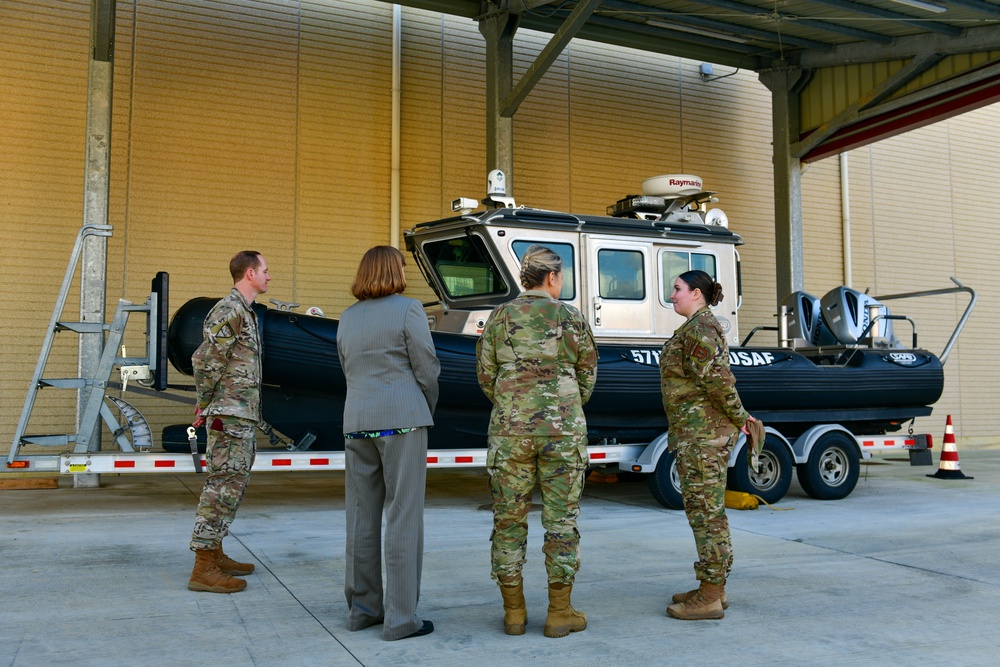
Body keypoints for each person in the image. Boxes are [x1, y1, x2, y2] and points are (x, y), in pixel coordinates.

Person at [476, 244, 598, 638]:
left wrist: (514, 405)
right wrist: (563, 405)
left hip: (510, 430)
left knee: (508, 520)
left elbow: (485, 375)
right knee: (561, 522)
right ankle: (559, 614)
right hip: (562, 431)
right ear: (552, 278)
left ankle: (514, 614)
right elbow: (588, 377)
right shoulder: (570, 317)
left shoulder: (499, 317)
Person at [337, 245, 440, 641]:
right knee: (403, 515)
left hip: (358, 422)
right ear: (394, 270)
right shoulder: (408, 309)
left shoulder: (347, 317)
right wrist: (423, 406)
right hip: (402, 422)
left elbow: (347, 369)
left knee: (361, 516)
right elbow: (426, 366)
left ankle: (363, 610)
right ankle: (400, 619)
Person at [659, 269, 757, 620]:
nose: (673, 295)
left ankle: (711, 595)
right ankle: (713, 586)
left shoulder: (701, 329)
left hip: (704, 437)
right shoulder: (693, 328)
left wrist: (740, 416)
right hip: (694, 434)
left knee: (706, 515)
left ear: (696, 293)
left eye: (677, 289)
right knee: (704, 512)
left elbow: (718, 382)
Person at [188, 250, 270, 594]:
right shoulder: (230, 310)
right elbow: (206, 361)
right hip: (228, 414)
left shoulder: (245, 313)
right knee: (222, 487)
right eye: (265, 270)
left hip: (238, 413)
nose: (269, 275)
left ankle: (216, 553)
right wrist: (205, 404)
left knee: (231, 486)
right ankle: (203, 568)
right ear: (249, 273)